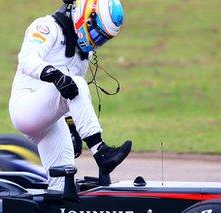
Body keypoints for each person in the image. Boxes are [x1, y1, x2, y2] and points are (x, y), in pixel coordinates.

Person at [9, 0, 131, 190]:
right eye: (96, 33)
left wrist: (72, 128)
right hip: (25, 108)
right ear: (86, 17)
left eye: (102, 39)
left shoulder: (84, 53)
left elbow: (69, 97)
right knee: (76, 83)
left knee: (63, 181)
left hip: (51, 119)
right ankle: (100, 151)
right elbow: (27, 60)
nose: (96, 41)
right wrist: (55, 75)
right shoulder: (46, 27)